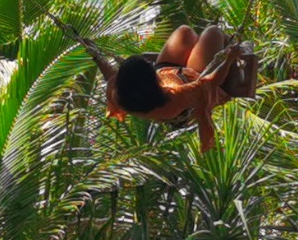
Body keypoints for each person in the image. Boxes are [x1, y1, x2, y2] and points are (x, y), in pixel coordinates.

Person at [98, 24, 259, 150]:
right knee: (213, 32)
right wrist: (229, 59)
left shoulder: (121, 95)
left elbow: (110, 76)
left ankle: (201, 46)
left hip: (170, 72)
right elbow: (211, 82)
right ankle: (236, 46)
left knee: (185, 32)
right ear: (152, 82)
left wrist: (95, 54)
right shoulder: (176, 98)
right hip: (194, 76)